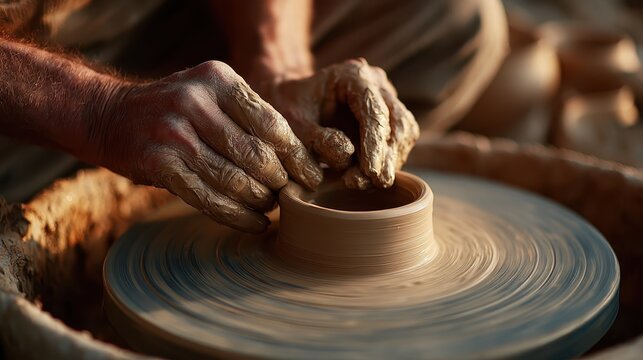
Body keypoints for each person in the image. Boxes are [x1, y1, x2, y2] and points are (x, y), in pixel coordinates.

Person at [0, 0, 507, 233]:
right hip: (20, 112)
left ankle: (196, 149)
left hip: (144, 21)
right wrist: (100, 113)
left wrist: (276, 65)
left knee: (450, 19)